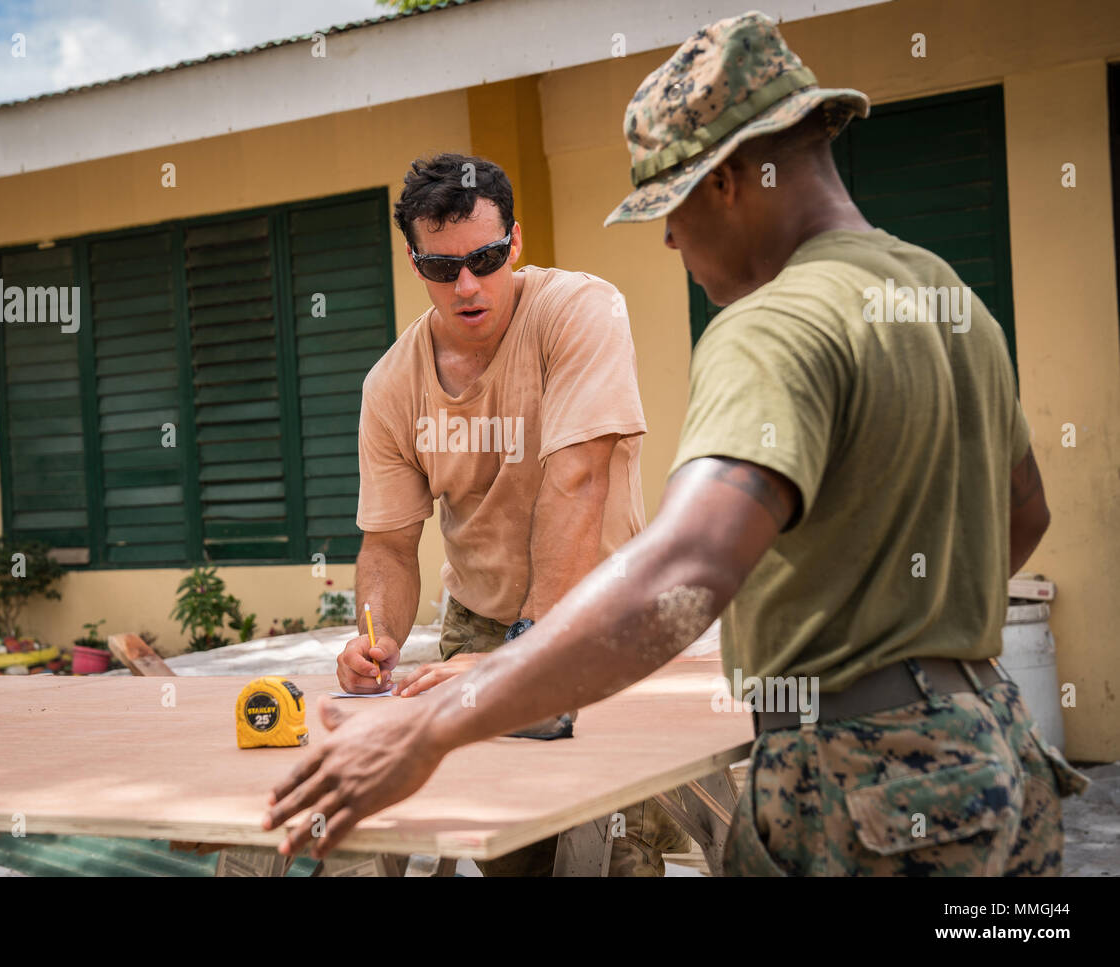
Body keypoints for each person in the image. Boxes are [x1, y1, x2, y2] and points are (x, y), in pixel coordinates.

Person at [267, 12, 1089, 875]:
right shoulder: (937, 290)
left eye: (671, 204)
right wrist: (900, 627)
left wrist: (438, 722)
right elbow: (1020, 516)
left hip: (865, 790)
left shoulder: (768, 328)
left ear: (731, 180)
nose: (668, 238)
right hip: (995, 754)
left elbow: (682, 573)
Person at [336, 152, 692, 875]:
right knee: (508, 847)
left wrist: (524, 658)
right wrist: (374, 637)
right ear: (416, 265)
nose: (467, 284)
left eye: (487, 258)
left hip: (604, 617)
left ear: (517, 243)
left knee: (615, 849)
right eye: (443, 268)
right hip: (479, 621)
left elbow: (579, 476)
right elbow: (390, 544)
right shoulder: (392, 385)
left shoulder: (580, 310)